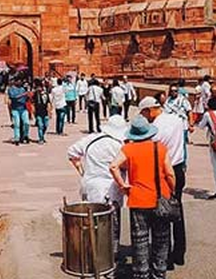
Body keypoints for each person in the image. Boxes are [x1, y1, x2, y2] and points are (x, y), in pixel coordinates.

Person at [110, 116, 175, 279]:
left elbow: (113, 166)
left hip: (138, 199)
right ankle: (159, 273)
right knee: (161, 239)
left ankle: (141, 273)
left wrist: (122, 185)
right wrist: (171, 190)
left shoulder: (128, 149)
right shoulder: (160, 148)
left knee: (140, 239)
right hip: (160, 198)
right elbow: (170, 173)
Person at [67, 115, 129, 257]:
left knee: (90, 222)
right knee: (110, 225)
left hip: (89, 186)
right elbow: (125, 165)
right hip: (108, 189)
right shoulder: (118, 146)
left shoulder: (92, 138)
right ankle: (109, 257)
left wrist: (82, 171)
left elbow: (72, 152)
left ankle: (91, 253)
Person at [139, 97, 188, 269]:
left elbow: (150, 148)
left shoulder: (156, 128)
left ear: (150, 110)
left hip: (163, 172)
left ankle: (165, 258)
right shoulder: (176, 119)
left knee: (162, 214)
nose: (145, 118)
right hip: (179, 168)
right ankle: (179, 253)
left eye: (144, 113)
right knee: (177, 210)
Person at [7, 79, 30, 145]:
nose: (20, 82)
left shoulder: (23, 89)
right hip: (15, 109)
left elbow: (26, 99)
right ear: (15, 82)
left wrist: (28, 96)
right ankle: (17, 138)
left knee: (26, 123)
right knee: (17, 124)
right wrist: (23, 95)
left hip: (23, 108)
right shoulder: (11, 89)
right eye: (18, 81)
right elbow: (13, 97)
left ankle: (26, 135)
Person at [32, 80, 51, 144]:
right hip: (38, 112)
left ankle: (42, 135)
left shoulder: (46, 93)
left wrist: (49, 111)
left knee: (45, 125)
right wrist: (33, 111)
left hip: (45, 112)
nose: (39, 88)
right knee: (40, 126)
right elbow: (32, 103)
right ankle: (41, 138)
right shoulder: (35, 94)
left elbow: (48, 102)